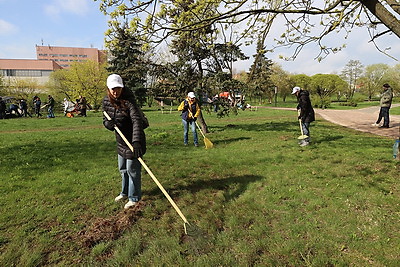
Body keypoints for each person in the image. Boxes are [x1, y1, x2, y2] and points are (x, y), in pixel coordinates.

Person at [102, 74, 147, 210]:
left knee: (132, 170)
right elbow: (105, 118)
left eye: (118, 88)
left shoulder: (129, 101)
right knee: (123, 169)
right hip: (121, 141)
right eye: (113, 89)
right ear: (108, 89)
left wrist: (136, 142)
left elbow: (137, 121)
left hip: (134, 140)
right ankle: (125, 192)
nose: (116, 92)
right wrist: (108, 124)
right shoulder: (106, 101)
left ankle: (134, 197)